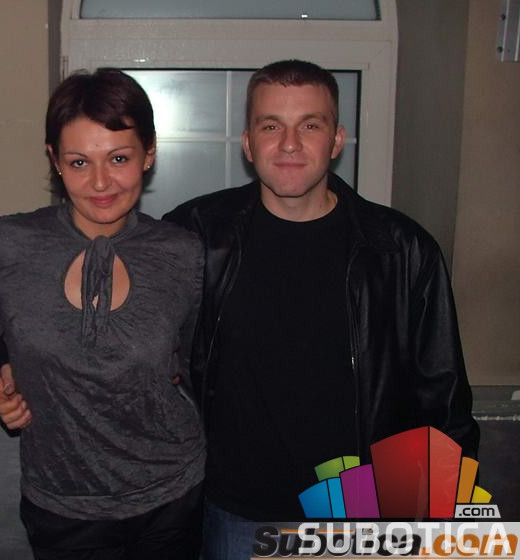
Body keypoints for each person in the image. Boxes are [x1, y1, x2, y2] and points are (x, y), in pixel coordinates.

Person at [163, 60, 479, 558]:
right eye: (272, 126)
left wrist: (436, 528)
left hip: (363, 515)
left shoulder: (401, 249)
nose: (290, 144)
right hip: (235, 515)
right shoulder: (196, 233)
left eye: (310, 125)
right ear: (248, 143)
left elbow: (442, 398)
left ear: (337, 140)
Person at [0, 68, 206, 559]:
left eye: (119, 158)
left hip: (172, 496)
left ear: (149, 153)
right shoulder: (10, 245)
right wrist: (9, 379)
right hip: (62, 505)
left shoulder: (182, 254)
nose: (100, 182)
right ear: (54, 160)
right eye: (79, 162)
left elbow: (192, 363)